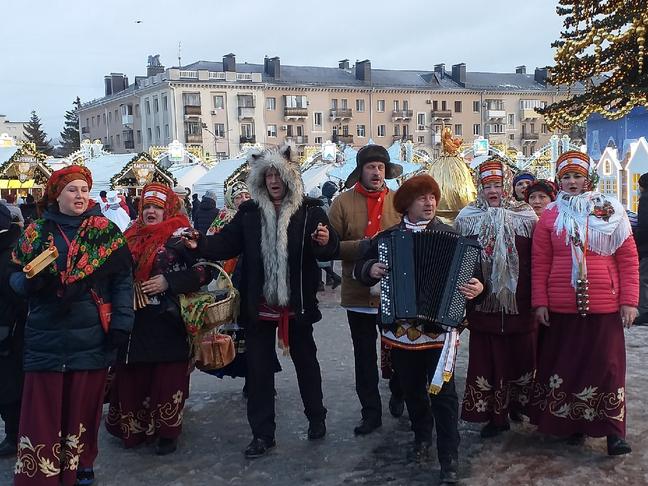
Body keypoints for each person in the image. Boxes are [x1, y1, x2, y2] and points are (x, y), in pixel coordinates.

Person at [188, 144, 338, 458]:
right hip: (259, 307)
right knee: (258, 373)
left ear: (290, 176)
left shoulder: (310, 211)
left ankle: (316, 417)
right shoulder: (249, 214)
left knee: (306, 364)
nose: (273, 180)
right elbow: (223, 245)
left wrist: (325, 242)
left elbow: (327, 249)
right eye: (268, 174)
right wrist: (198, 242)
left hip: (296, 306)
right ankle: (262, 434)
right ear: (260, 179)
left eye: (278, 173)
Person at [355, 175, 484, 484]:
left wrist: (480, 286)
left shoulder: (452, 236)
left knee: (444, 394)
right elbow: (362, 269)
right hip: (400, 332)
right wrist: (369, 270)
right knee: (412, 390)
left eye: (432, 197)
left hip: (440, 330)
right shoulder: (386, 239)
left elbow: (477, 278)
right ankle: (421, 437)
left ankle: (448, 456)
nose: (429, 203)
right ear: (406, 205)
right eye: (422, 198)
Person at [10, 165, 134, 486]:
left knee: (83, 408)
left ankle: (81, 465)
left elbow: (122, 281)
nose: (79, 196)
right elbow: (13, 277)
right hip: (45, 336)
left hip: (90, 336)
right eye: (71, 190)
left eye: (83, 189)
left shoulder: (105, 232)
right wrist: (30, 284)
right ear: (57, 195)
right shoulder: (37, 232)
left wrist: (122, 323)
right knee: (43, 411)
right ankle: (42, 474)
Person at [530, 150, 638, 455]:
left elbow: (628, 259)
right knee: (569, 367)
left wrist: (629, 301)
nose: (573, 182)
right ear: (559, 181)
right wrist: (540, 302)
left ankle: (614, 433)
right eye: (567, 177)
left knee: (608, 368)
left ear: (587, 178)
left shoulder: (610, 209)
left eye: (577, 176)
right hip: (562, 306)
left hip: (604, 304)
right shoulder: (550, 215)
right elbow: (540, 262)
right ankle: (573, 424)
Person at [105, 182, 212, 456]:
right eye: (147, 207)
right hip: (135, 322)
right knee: (133, 378)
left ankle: (167, 432)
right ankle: (136, 429)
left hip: (168, 320)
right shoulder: (129, 235)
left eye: (157, 207)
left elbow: (207, 271)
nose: (151, 212)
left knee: (167, 380)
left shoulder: (181, 237)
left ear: (168, 210)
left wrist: (169, 281)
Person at [454, 157, 538, 438]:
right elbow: (461, 261)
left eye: (498, 185)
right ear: (479, 187)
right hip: (484, 306)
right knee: (489, 361)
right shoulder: (467, 218)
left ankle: (518, 406)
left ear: (508, 186)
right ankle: (495, 416)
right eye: (487, 185)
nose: (493, 190)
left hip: (520, 304)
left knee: (521, 357)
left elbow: (537, 259)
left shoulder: (526, 215)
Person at [328, 144, 404, 434]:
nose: (376, 172)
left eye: (381, 167)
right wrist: (362, 247)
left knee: (398, 350)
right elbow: (330, 247)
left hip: (394, 293)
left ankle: (399, 391)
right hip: (358, 293)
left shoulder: (398, 201)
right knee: (364, 358)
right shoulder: (342, 203)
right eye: (371, 167)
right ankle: (370, 413)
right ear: (361, 170)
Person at [0, 205, 26, 457]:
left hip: (11, 330)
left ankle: (14, 433)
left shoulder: (11, 255)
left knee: (10, 384)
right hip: (8, 327)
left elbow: (19, 295)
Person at [635, 172, 648, 325]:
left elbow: (644, 224)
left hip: (646, 248)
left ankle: (644, 311)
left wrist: (638, 242)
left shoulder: (645, 200)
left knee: (643, 279)